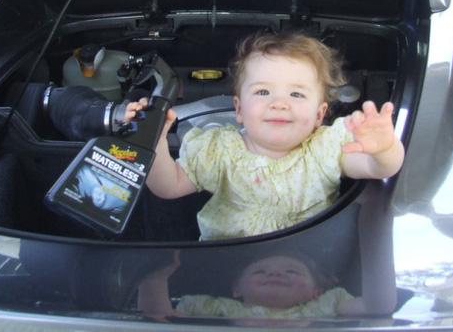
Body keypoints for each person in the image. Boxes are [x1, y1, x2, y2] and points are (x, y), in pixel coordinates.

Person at [125, 32, 404, 240]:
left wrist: (383, 148)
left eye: (296, 94)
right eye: (263, 92)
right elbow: (168, 187)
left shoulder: (325, 148)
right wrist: (154, 140)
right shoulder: (220, 150)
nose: (279, 103)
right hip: (225, 272)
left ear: (319, 115)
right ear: (239, 109)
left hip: (307, 271)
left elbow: (380, 168)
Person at [138, 250, 362, 319]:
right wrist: (155, 280)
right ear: (237, 289)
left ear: (316, 291)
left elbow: (375, 306)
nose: (274, 273)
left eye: (291, 271)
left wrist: (372, 216)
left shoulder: (330, 304)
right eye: (260, 271)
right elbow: (159, 320)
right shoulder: (215, 309)